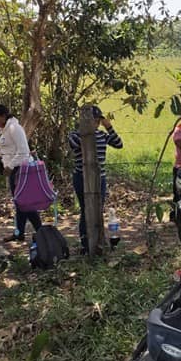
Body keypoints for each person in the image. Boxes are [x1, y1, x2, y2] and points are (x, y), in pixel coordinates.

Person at [68, 105, 123, 252]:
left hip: (100, 178)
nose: (97, 124)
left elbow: (119, 144)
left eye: (98, 121)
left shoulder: (102, 136)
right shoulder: (75, 135)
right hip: (81, 177)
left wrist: (109, 127)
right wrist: (85, 133)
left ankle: (98, 240)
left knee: (98, 209)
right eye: (94, 121)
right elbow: (75, 145)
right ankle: (85, 243)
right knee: (86, 210)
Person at [0, 103, 42, 243]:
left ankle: (41, 232)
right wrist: (2, 154)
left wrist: (10, 166)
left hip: (20, 170)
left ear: (3, 116)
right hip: (14, 170)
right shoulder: (5, 130)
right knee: (20, 204)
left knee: (25, 204)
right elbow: (13, 149)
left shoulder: (14, 128)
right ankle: (19, 233)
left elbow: (23, 152)